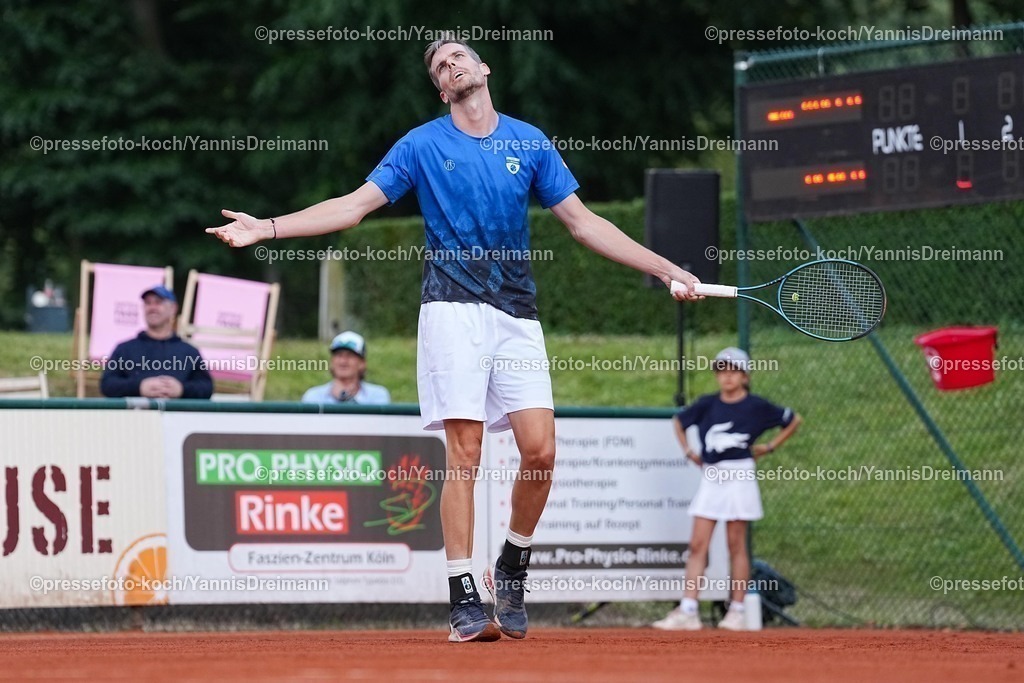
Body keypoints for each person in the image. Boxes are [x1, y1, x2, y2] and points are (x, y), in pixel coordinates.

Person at [207, 38, 700, 643]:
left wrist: (666, 267)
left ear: (483, 68)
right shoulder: (420, 144)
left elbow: (583, 222)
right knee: (463, 454)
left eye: (459, 56)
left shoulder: (529, 140)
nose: (451, 64)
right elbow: (355, 206)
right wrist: (270, 228)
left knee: (541, 450)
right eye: (440, 66)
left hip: (516, 313)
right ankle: (463, 596)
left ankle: (512, 564)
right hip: (450, 313)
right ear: (442, 90)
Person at [653, 347, 802, 631]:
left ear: (745, 376)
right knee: (698, 544)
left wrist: (769, 447)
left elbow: (792, 419)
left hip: (740, 476)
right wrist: (689, 452)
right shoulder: (708, 404)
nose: (727, 377)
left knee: (736, 545)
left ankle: (737, 610)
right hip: (712, 476)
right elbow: (679, 421)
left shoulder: (757, 406)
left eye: (733, 371)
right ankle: (688, 610)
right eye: (721, 371)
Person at [100, 285, 214, 399]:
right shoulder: (124, 349)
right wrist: (139, 387)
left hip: (176, 416)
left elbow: (207, 388)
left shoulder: (189, 352)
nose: (152, 307)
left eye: (158, 302)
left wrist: (182, 389)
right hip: (136, 415)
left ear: (173, 309)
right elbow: (107, 385)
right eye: (148, 303)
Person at [301, 331, 391, 405]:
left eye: (350, 356)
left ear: (362, 363)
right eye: (339, 356)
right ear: (332, 361)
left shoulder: (377, 395)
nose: (343, 361)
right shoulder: (313, 396)